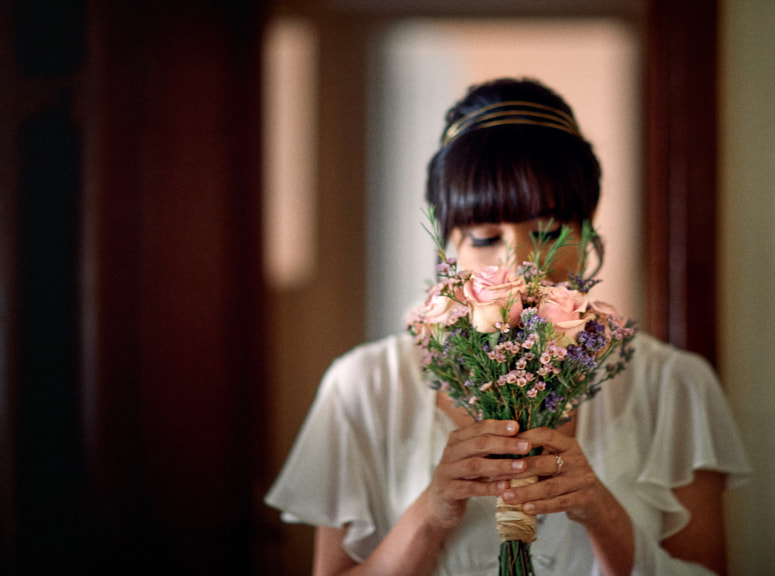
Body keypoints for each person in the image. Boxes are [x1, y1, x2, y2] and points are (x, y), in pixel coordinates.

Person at [266, 78, 750, 576]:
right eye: (484, 235)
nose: (520, 261)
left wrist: (598, 511)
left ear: (587, 232)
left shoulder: (674, 385)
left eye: (547, 231)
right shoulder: (362, 386)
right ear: (449, 244)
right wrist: (432, 511)